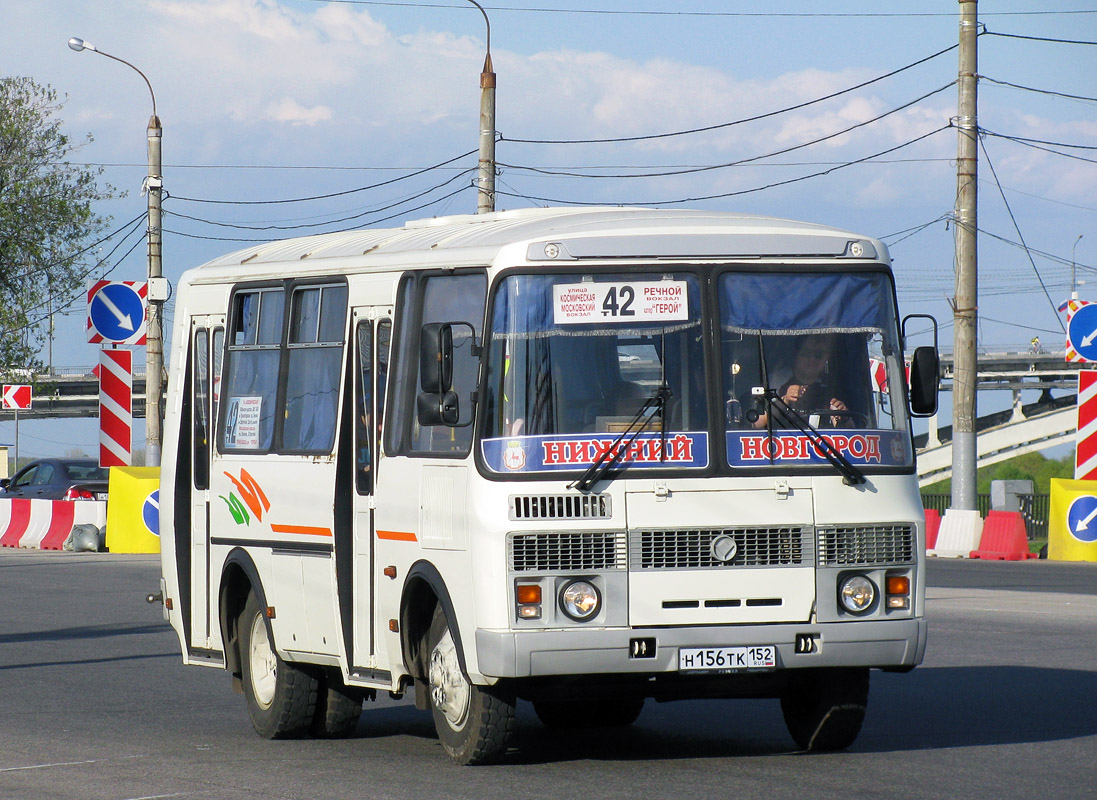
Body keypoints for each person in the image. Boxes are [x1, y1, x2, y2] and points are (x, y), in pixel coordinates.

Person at [752, 334, 850, 429]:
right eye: (806, 353)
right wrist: (785, 400)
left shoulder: (833, 385)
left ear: (826, 359)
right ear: (795, 354)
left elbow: (852, 431)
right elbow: (755, 424)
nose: (811, 359)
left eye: (818, 355)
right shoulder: (775, 381)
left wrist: (844, 417)